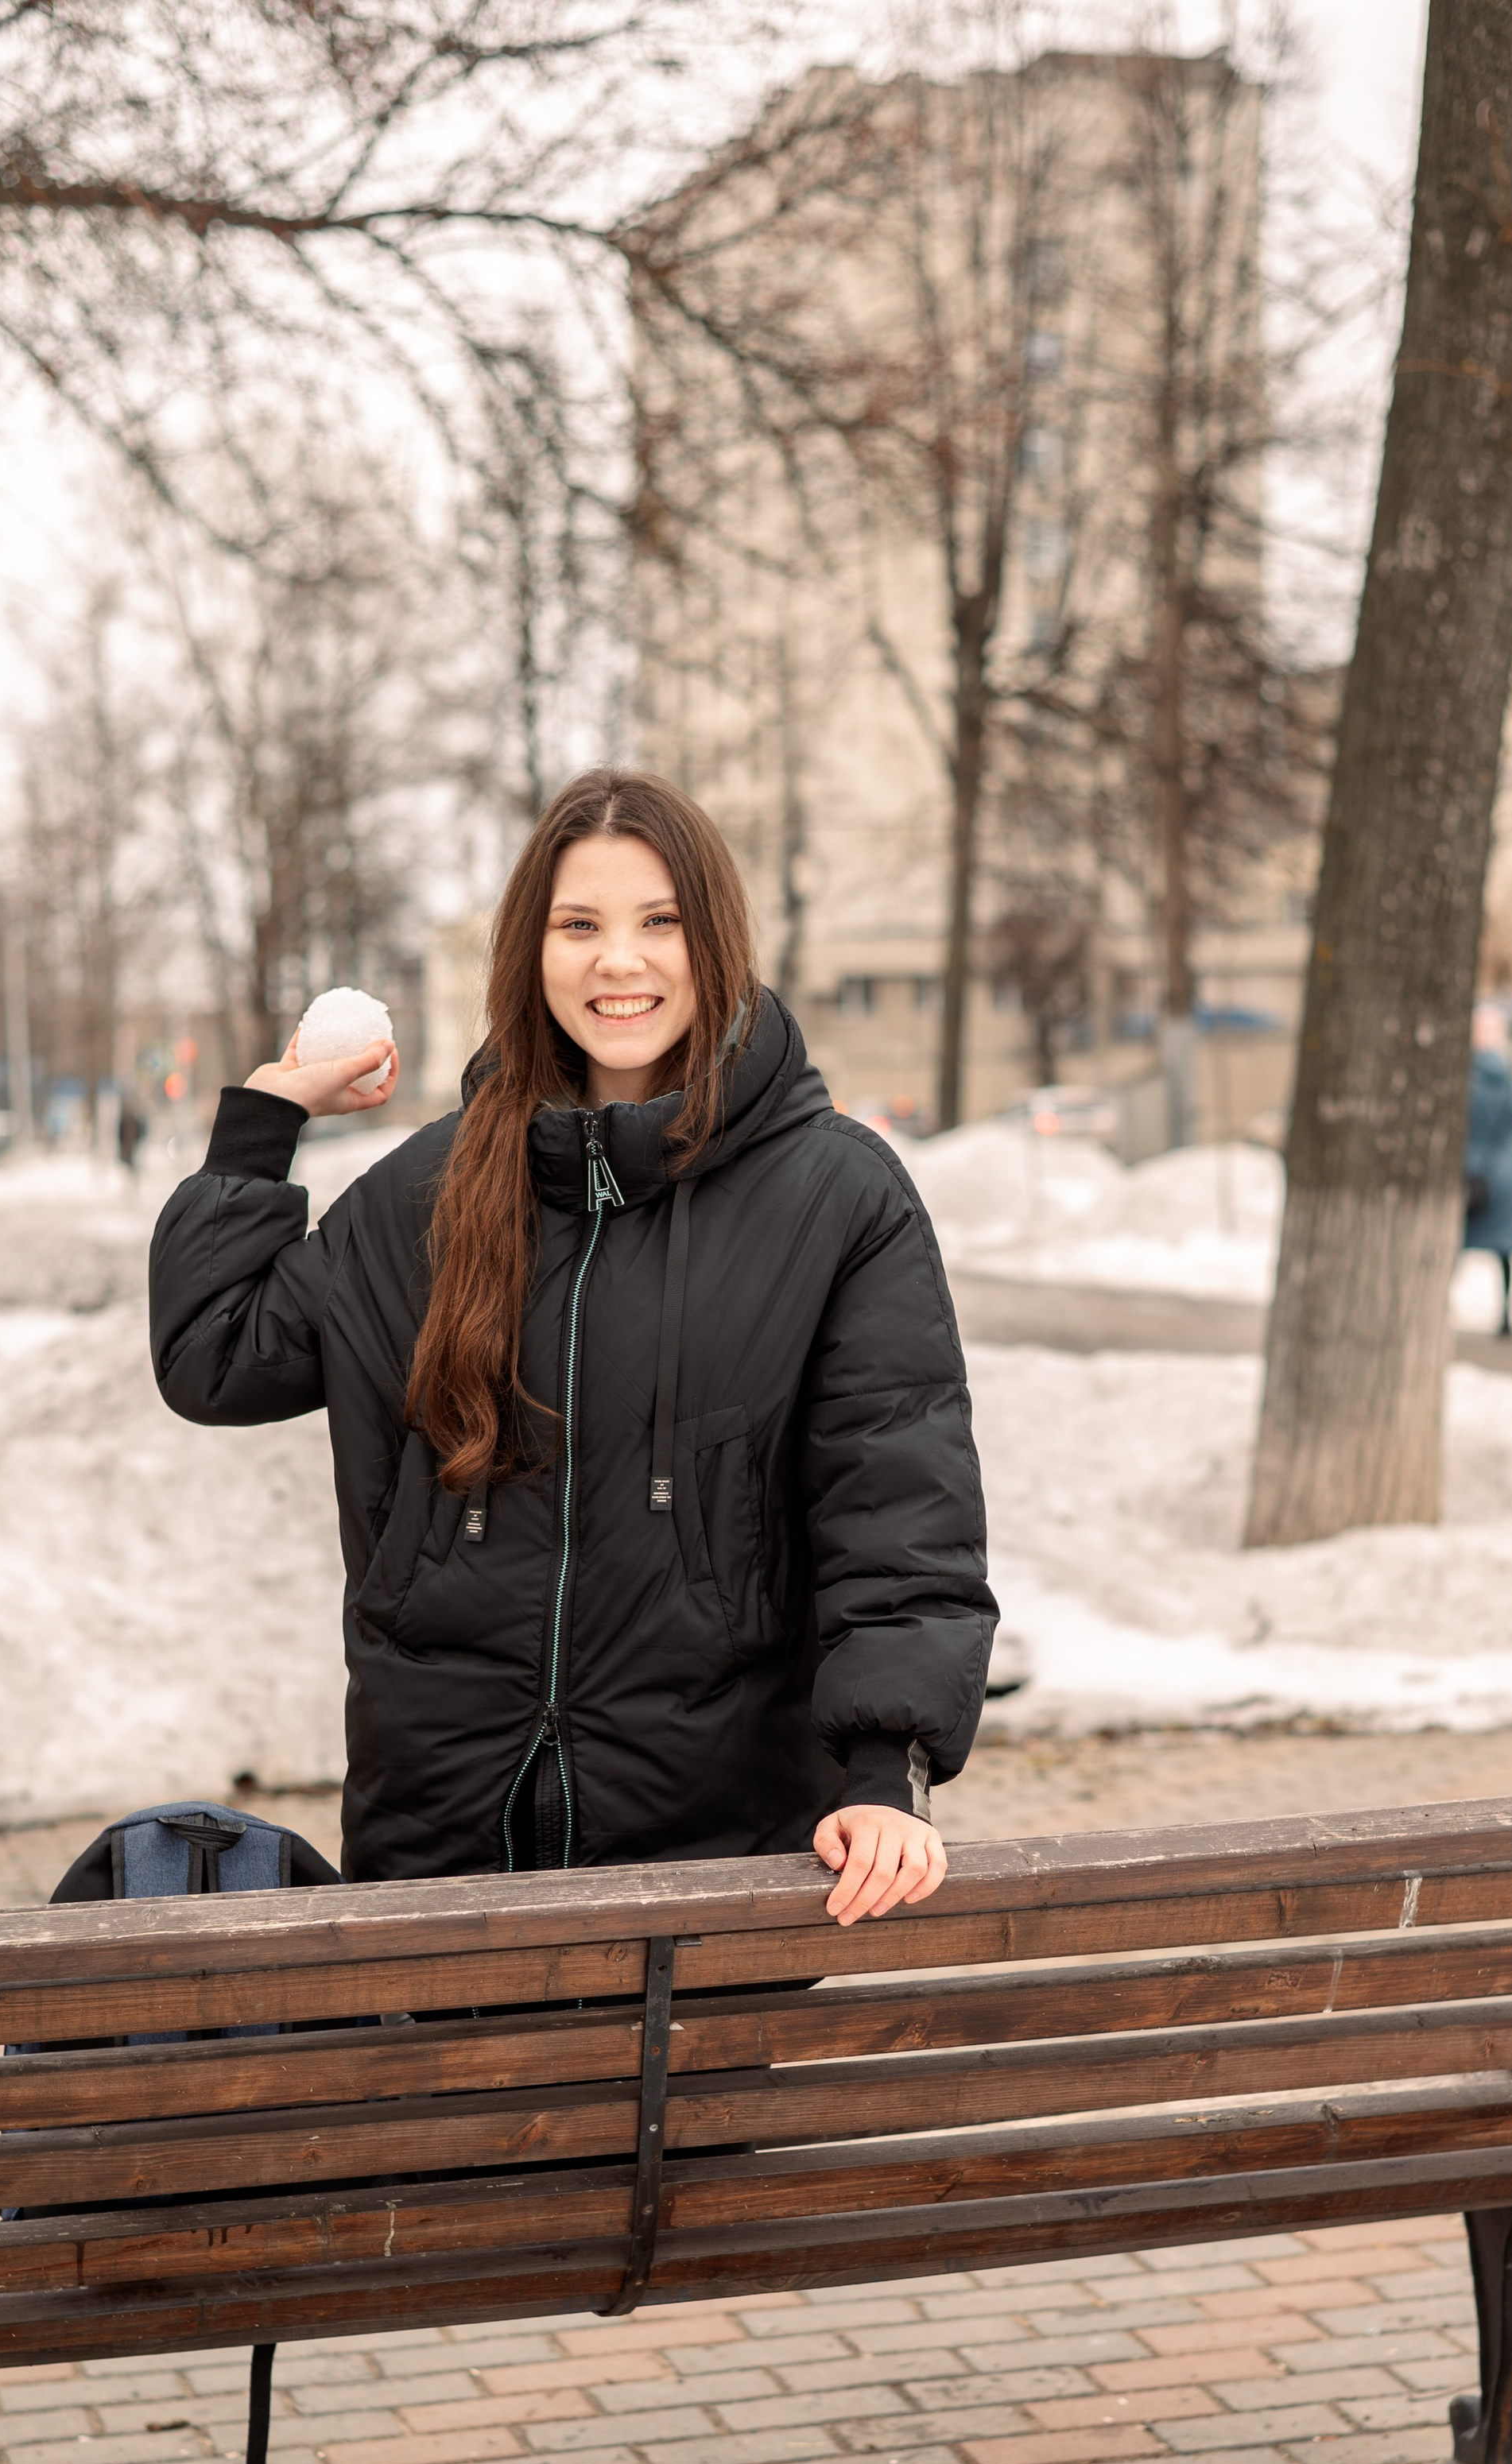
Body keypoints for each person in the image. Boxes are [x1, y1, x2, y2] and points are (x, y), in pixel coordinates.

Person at [148, 769, 995, 1926]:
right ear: (529, 953)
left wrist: (885, 1774)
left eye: (660, 922)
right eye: (579, 925)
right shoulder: (427, 1199)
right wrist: (268, 1113)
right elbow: (216, 1355)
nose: (620, 962)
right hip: (437, 1861)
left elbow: (897, 1505)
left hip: (715, 1868)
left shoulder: (836, 1197)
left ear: (717, 941)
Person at [1464, 1000, 1512, 1338]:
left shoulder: (1467, 1077)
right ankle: (1505, 1315)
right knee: (1504, 1250)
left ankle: (1443, 1307)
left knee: (1454, 1243)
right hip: (1505, 1172)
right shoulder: (1508, 1076)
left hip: (1468, 1171)